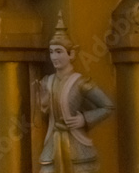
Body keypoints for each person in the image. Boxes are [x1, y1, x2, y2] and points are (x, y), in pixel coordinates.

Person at [37, 13, 113, 172]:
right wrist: (44, 104)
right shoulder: (47, 81)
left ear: (71, 54)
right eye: (51, 52)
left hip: (77, 144)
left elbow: (107, 106)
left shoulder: (81, 83)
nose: (54, 57)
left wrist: (84, 119)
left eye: (59, 52)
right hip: (54, 142)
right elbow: (45, 116)